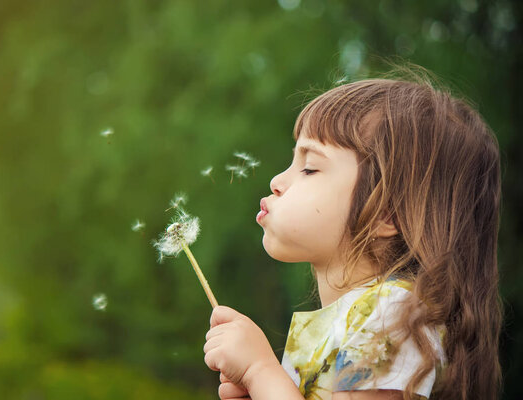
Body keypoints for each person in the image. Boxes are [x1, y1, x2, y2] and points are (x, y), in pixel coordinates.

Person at [203, 73, 503, 400]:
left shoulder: (395, 316)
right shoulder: (359, 318)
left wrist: (259, 371)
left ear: (386, 213)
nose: (277, 181)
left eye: (309, 168)